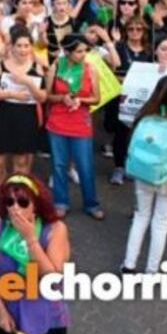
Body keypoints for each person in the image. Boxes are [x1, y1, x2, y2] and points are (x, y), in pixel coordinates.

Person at [121, 77, 167, 274]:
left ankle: (129, 265)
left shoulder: (144, 116)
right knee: (161, 223)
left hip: (142, 173)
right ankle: (151, 271)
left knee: (140, 217)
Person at [0, 174, 70, 334]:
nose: (15, 207)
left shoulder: (55, 230)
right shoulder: (0, 227)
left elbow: (53, 280)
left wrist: (31, 240)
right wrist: (1, 311)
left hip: (46, 318)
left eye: (22, 202)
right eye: (9, 201)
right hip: (10, 315)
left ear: (36, 204)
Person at [0, 26, 47, 216]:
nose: (23, 49)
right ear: (12, 47)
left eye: (27, 45)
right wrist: (9, 93)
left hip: (27, 117)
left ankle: (18, 197)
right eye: (19, 45)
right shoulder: (0, 64)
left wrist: (27, 82)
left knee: (21, 160)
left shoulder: (36, 66)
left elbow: (43, 97)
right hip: (4, 115)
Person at [44, 34, 103, 220]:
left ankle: (91, 203)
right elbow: (47, 96)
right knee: (59, 164)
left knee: (85, 165)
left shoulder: (90, 69)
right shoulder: (55, 66)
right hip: (58, 121)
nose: (83, 54)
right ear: (68, 52)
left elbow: (97, 98)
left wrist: (80, 99)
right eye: (79, 51)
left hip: (80, 121)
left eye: (85, 50)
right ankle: (60, 202)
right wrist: (62, 98)